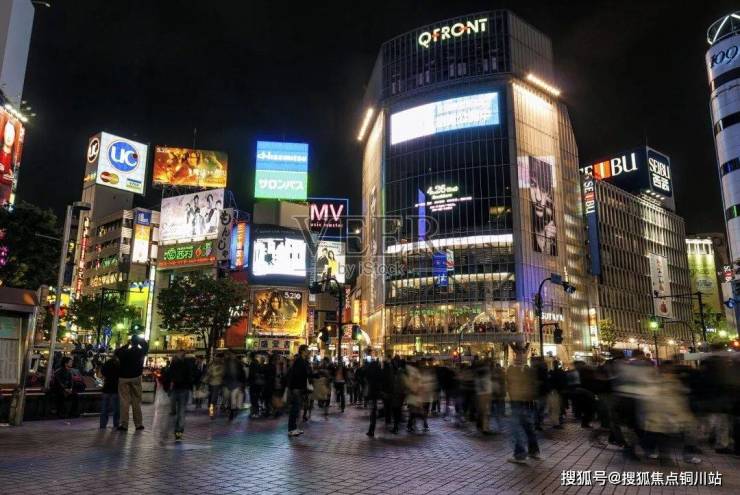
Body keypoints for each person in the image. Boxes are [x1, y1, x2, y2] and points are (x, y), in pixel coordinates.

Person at [506, 359, 540, 464]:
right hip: (527, 404)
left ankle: (520, 454)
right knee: (528, 427)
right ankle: (534, 450)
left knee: (516, 430)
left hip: (518, 404)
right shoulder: (528, 375)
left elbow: (513, 391)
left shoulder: (515, 377)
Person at [115, 335, 149, 431]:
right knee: (136, 401)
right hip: (136, 377)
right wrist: (139, 340)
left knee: (124, 401)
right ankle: (138, 424)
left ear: (131, 342)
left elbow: (117, 352)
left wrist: (127, 344)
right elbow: (146, 346)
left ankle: (124, 424)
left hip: (123, 377)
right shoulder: (140, 352)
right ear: (137, 343)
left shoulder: (125, 352)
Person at [165, 350, 197, 441]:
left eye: (178, 354)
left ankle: (178, 432)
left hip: (181, 389)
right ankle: (178, 432)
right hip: (180, 389)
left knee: (180, 412)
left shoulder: (182, 364)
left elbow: (170, 376)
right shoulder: (177, 364)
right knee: (180, 412)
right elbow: (170, 377)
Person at [287, 345, 311, 436]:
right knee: (295, 408)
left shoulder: (303, 361)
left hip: (299, 388)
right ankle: (291, 429)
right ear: (303, 351)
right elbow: (297, 374)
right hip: (296, 387)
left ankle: (294, 427)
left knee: (297, 409)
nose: (308, 351)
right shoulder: (299, 361)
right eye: (307, 350)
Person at [223, 351, 247, 420]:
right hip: (228, 383)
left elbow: (242, 374)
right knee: (228, 397)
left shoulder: (238, 363)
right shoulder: (226, 363)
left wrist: (243, 384)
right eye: (231, 354)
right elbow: (223, 373)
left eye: (233, 355)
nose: (232, 356)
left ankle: (232, 411)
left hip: (236, 383)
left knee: (233, 397)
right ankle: (231, 409)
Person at [365, 350, 384, 437]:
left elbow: (366, 378)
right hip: (377, 394)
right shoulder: (379, 373)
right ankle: (372, 429)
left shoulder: (370, 375)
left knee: (372, 412)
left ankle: (371, 429)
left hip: (371, 394)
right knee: (374, 411)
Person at [99, 355, 120, 429]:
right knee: (116, 408)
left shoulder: (107, 363)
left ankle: (102, 425)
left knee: (104, 408)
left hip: (106, 388)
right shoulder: (119, 364)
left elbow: (102, 372)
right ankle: (116, 424)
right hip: (115, 388)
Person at [203, 353, 224, 419]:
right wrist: (204, 381)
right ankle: (211, 412)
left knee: (213, 399)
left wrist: (210, 374)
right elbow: (208, 373)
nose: (216, 358)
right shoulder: (212, 364)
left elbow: (211, 373)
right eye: (215, 357)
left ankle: (211, 412)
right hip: (212, 383)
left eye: (217, 357)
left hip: (216, 383)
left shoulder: (221, 365)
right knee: (212, 399)